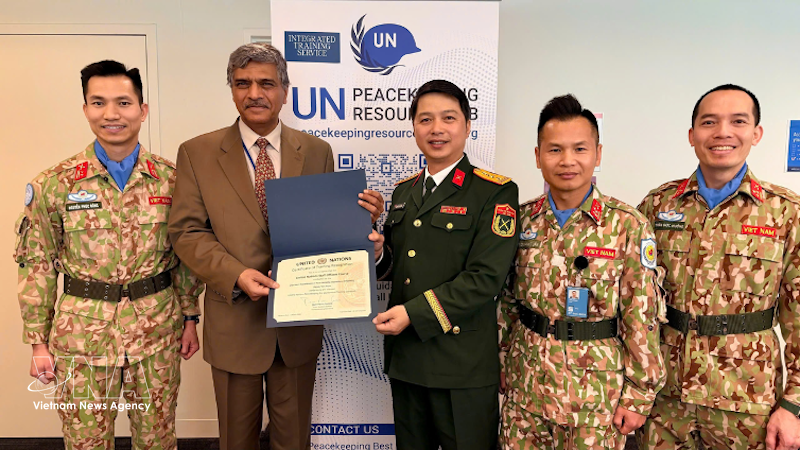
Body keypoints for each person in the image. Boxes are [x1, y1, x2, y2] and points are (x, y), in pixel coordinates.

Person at [167, 43, 383, 450]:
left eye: (266, 83)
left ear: (285, 90)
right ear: (231, 90)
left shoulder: (317, 151)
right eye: (242, 83)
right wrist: (235, 274)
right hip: (235, 322)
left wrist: (358, 230)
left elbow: (324, 231)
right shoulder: (197, 153)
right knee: (236, 440)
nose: (254, 93)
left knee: (294, 439)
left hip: (298, 325)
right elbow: (187, 232)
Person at [15, 60, 204, 450]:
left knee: (157, 438)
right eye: (98, 103)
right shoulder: (55, 183)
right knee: (85, 441)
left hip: (156, 328)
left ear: (142, 110)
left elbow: (185, 254)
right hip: (81, 335)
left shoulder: (173, 179)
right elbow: (36, 263)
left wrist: (190, 317)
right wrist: (38, 342)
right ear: (85, 109)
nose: (112, 114)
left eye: (123, 102)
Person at [498, 94, 666, 450]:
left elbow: (642, 316)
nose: (567, 161)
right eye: (555, 150)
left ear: (598, 154)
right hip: (526, 391)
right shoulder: (521, 220)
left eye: (580, 149)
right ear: (538, 156)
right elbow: (507, 302)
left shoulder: (627, 226)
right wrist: (500, 360)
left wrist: (639, 395)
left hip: (596, 398)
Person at [637, 84, 800, 450]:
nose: (722, 132)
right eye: (709, 122)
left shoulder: (786, 212)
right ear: (692, 135)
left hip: (745, 402)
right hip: (666, 400)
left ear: (756, 133)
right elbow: (633, 304)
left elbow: (798, 318)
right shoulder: (657, 205)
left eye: (737, 121)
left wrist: (793, 406)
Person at [373, 79, 519, 450]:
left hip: (462, 365)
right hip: (407, 359)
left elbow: (485, 279)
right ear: (414, 128)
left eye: (448, 118)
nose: (436, 129)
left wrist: (412, 314)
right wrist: (377, 255)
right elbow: (397, 265)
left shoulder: (495, 192)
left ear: (468, 126)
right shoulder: (403, 192)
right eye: (425, 120)